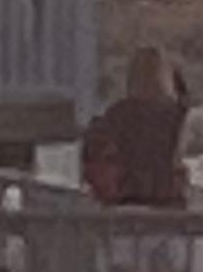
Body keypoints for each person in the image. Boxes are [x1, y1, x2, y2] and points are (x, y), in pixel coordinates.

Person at [80, 44, 193, 208]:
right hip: (167, 199)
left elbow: (95, 149)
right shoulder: (173, 115)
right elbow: (185, 101)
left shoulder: (117, 114)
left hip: (125, 199)